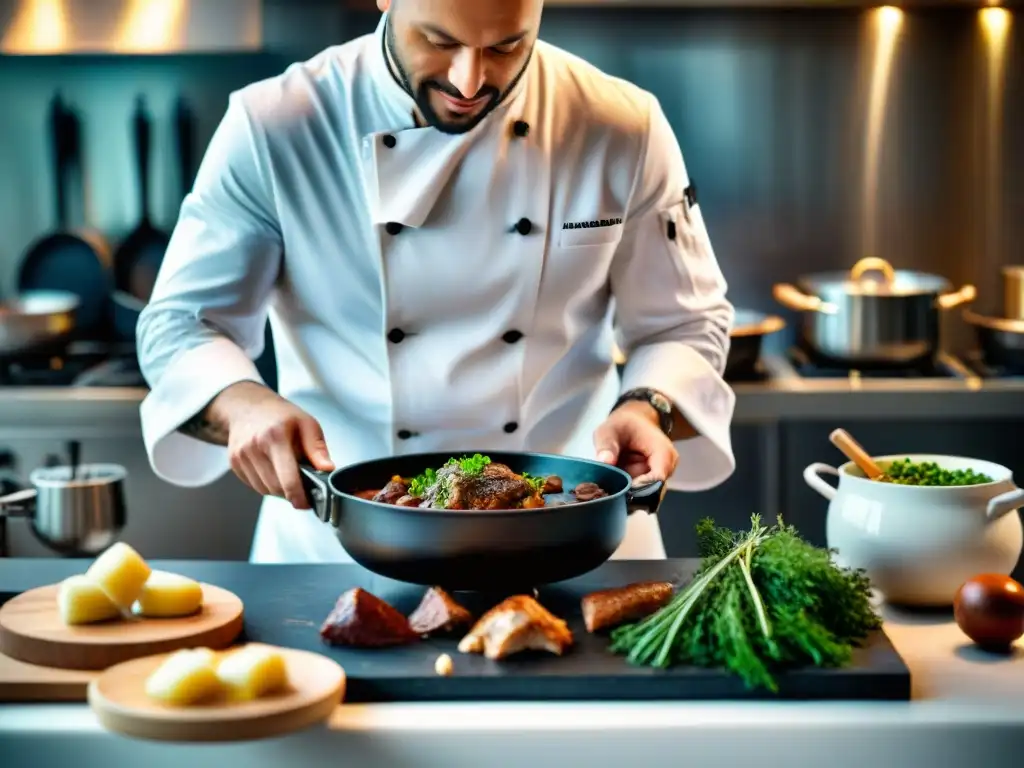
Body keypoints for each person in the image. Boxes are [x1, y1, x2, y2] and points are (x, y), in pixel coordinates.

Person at [136, 0, 736, 564]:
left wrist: (648, 404)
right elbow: (182, 326)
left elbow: (685, 321)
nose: (469, 81)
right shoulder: (276, 125)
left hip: (571, 542)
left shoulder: (619, 124)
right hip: (338, 552)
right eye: (438, 39)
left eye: (506, 45)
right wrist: (242, 405)